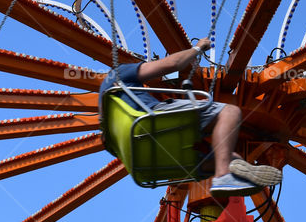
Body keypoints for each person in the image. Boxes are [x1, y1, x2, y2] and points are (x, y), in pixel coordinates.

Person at [98, 37, 282, 197]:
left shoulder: (105, 112)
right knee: (230, 112)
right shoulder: (119, 73)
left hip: (145, 158)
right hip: (156, 120)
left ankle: (235, 168)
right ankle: (224, 175)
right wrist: (198, 48)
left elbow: (110, 145)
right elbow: (173, 64)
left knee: (228, 156)